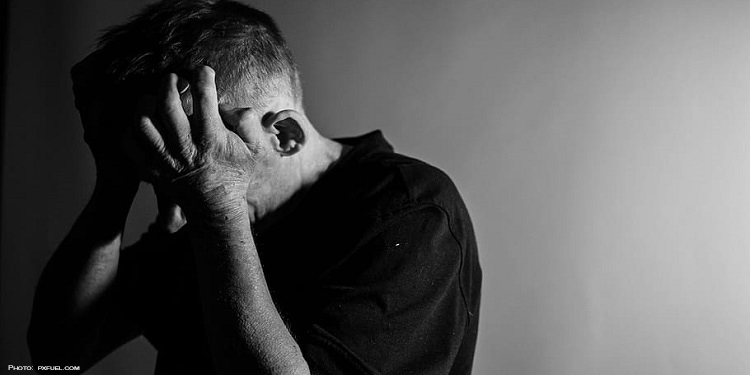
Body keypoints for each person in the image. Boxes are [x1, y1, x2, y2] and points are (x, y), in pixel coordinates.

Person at [27, 0, 482, 374]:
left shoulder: (410, 211)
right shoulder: (194, 205)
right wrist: (115, 180)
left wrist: (216, 201)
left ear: (284, 135)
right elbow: (54, 359)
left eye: (194, 140)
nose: (170, 168)